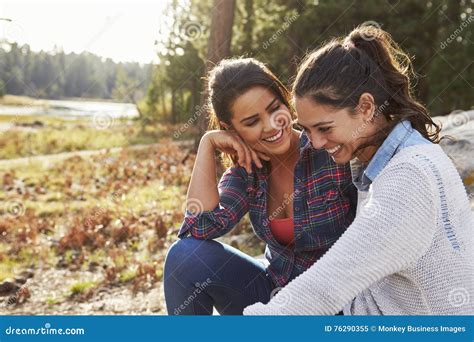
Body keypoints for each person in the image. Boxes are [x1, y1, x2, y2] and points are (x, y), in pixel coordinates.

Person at [244, 26, 474, 315]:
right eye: (307, 129)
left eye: (324, 128)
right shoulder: (408, 155)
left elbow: (325, 288)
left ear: (366, 107)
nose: (314, 143)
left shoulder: (407, 180)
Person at [164, 58, 357, 315]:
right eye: (252, 121)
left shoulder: (330, 152)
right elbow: (199, 229)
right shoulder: (248, 172)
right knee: (184, 258)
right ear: (231, 130)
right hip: (275, 297)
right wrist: (207, 144)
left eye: (274, 108)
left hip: (338, 305)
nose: (270, 125)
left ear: (285, 99)